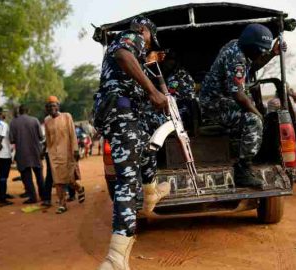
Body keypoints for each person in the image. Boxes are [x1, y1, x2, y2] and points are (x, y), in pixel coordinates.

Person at [93, 16, 169, 270]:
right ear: (143, 30)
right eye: (149, 40)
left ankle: (150, 195)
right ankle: (114, 259)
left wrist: (153, 74)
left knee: (149, 146)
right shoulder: (131, 38)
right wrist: (153, 92)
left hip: (127, 115)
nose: (147, 46)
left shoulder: (135, 52)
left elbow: (132, 64)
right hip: (122, 114)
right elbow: (125, 55)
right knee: (127, 184)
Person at [200, 23, 286, 188]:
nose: (260, 54)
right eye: (259, 51)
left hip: (221, 101)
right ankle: (242, 170)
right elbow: (238, 95)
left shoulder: (237, 45)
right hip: (214, 104)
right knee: (253, 120)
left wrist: (273, 54)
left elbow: (252, 67)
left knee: (253, 113)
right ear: (250, 47)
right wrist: (260, 116)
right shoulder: (237, 59)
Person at [44, 96, 85, 213]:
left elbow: (72, 134)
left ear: (58, 106)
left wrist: (76, 150)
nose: (51, 108)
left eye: (54, 105)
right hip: (53, 154)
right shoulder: (47, 120)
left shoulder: (67, 116)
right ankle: (62, 204)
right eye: (49, 106)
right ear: (46, 108)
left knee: (69, 179)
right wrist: (45, 151)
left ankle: (79, 188)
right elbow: (47, 138)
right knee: (57, 180)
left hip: (68, 153)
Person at [9, 104, 45, 204]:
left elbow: (11, 140)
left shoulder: (13, 122)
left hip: (22, 153)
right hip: (36, 152)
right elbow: (41, 137)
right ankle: (44, 196)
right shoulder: (35, 120)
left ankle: (33, 197)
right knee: (39, 176)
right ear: (28, 111)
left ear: (19, 111)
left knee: (26, 177)